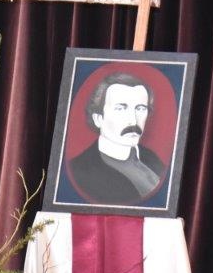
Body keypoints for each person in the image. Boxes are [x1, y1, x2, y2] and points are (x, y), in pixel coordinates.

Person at [68, 72, 167, 205]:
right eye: (121, 109)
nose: (133, 121)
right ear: (98, 118)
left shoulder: (154, 161)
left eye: (140, 109)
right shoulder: (79, 170)